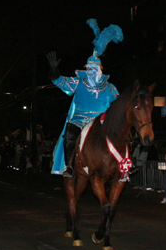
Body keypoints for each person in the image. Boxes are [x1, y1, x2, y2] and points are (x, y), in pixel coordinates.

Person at [47, 19, 123, 178]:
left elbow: (117, 107)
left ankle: (124, 167)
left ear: (100, 70)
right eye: (88, 68)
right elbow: (60, 81)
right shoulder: (78, 82)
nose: (90, 70)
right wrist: (54, 70)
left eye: (93, 68)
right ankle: (69, 166)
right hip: (80, 119)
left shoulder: (110, 88)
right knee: (70, 135)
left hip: (101, 120)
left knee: (120, 134)